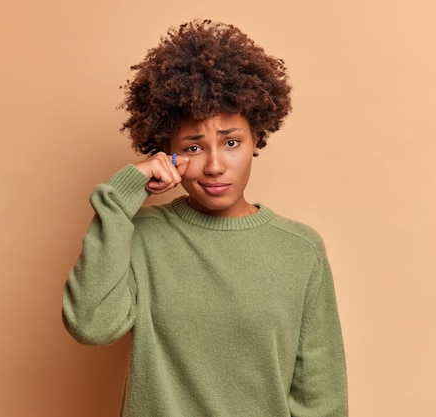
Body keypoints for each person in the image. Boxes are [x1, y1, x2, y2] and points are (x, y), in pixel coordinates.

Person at [62, 19, 348, 417]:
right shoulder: (141, 235)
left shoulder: (300, 250)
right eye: (193, 147)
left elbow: (321, 398)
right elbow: (91, 325)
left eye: (231, 142)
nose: (215, 165)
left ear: (255, 141)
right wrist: (120, 197)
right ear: (167, 153)